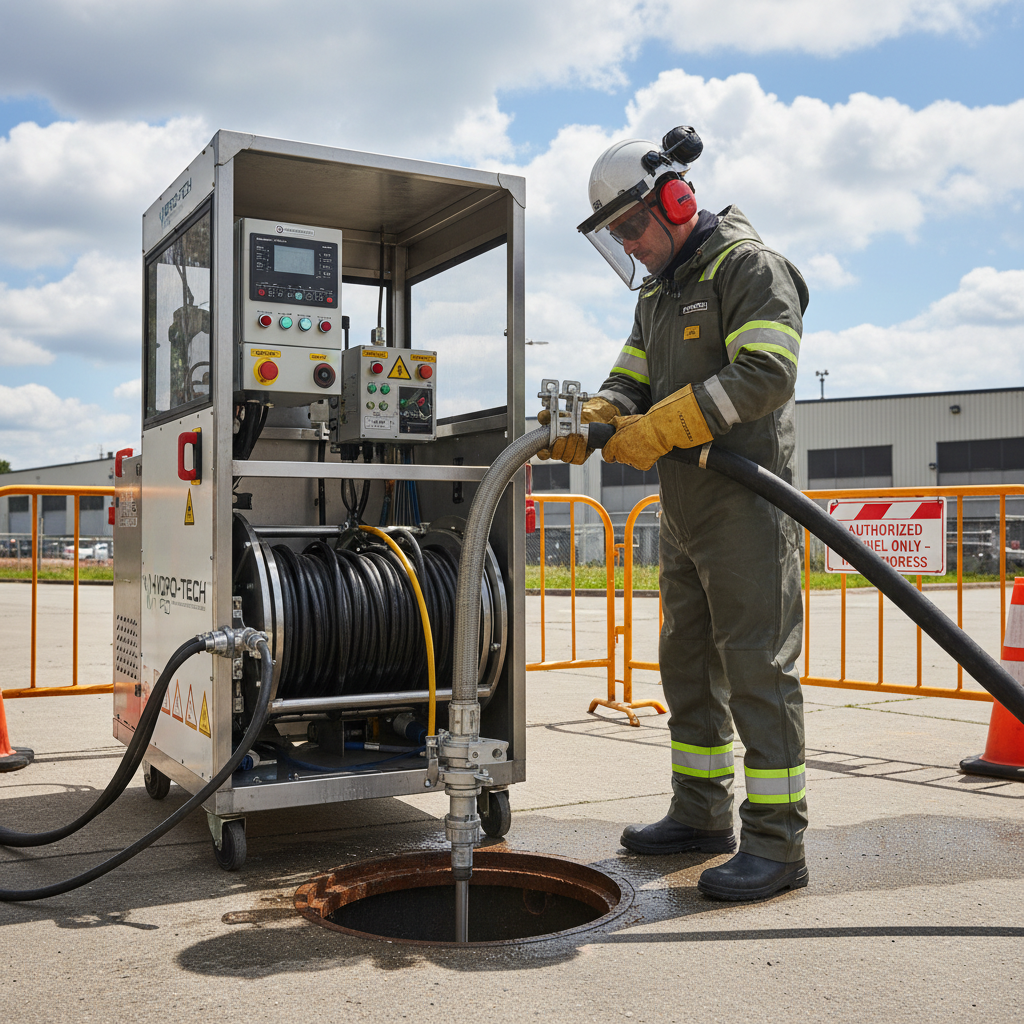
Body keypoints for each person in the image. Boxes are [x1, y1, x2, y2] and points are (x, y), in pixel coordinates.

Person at [546, 127, 810, 902]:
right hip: (685, 509)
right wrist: (596, 416)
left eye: (633, 225)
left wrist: (665, 425)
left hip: (748, 507)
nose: (630, 244)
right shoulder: (658, 294)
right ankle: (700, 814)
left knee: (758, 669)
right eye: (616, 235)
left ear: (676, 196)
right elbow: (630, 379)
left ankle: (777, 843)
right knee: (687, 666)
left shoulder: (747, 267)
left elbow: (767, 373)